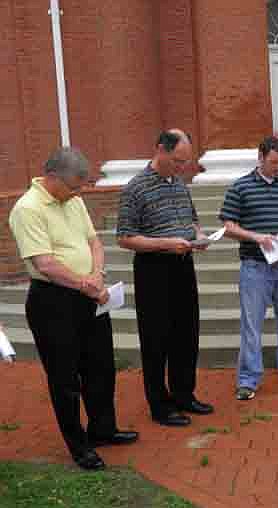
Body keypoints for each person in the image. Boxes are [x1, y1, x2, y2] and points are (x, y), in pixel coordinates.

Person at [9, 147, 138, 470]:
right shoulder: (28, 208)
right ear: (52, 178)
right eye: (73, 186)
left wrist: (95, 276)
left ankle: (103, 428)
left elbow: (93, 241)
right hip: (52, 302)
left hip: (89, 294)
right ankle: (79, 446)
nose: (79, 192)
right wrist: (85, 284)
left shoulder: (74, 200)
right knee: (65, 378)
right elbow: (45, 263)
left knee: (101, 367)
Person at [117, 130, 213, 427]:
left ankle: (184, 394)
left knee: (187, 333)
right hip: (153, 270)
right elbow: (125, 237)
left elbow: (192, 219)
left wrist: (198, 236)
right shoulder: (135, 188)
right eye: (177, 161)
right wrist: (167, 243)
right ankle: (160, 405)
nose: (182, 167)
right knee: (157, 338)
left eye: (185, 162)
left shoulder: (180, 185)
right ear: (160, 149)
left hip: (183, 266)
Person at [219, 136, 278, 401]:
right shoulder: (240, 187)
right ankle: (248, 379)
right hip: (255, 266)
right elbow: (228, 227)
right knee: (252, 325)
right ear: (260, 157)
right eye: (273, 162)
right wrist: (256, 237)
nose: (277, 167)